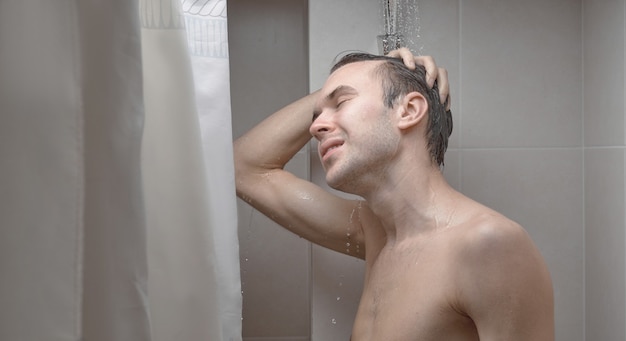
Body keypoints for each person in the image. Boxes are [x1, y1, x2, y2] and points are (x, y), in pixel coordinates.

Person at [233, 48, 554, 340]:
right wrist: (362, 77)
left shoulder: (490, 245)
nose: (315, 127)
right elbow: (243, 169)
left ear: (409, 110)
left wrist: (389, 75)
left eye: (342, 102)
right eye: (317, 115)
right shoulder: (375, 233)